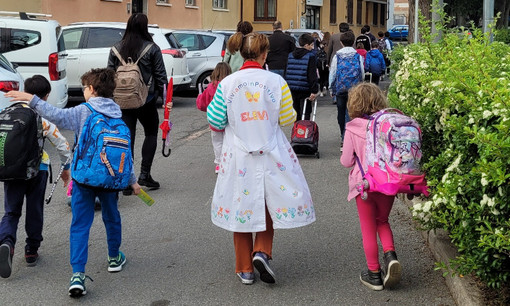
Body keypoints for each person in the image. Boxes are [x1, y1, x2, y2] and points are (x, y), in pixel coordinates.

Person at [5, 68, 142, 297]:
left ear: (92, 90)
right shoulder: (118, 116)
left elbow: (56, 115)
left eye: (86, 88)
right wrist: (133, 181)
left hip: (84, 179)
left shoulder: (83, 111)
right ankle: (114, 257)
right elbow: (124, 152)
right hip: (110, 179)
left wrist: (32, 99)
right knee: (112, 217)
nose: (85, 92)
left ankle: (78, 274)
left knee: (80, 225)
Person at [206, 33, 315, 285]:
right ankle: (263, 251)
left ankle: (244, 268)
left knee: (240, 205)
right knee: (267, 202)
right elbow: (288, 118)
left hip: (238, 155)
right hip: (271, 152)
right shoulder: (276, 82)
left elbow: (214, 120)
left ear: (242, 54)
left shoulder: (228, 84)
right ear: (264, 54)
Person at [0, 75, 71, 278]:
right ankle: (31, 251)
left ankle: (6, 241)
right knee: (34, 209)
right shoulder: (41, 117)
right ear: (46, 96)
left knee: (11, 212)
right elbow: (63, 145)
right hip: (36, 170)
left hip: (11, 171)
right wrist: (65, 168)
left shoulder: (7, 112)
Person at [340, 83, 402, 291]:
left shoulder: (353, 128)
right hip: (387, 183)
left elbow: (347, 161)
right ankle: (391, 256)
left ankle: (374, 273)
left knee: (368, 228)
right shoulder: (388, 125)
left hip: (364, 186)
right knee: (382, 221)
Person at [107, 13, 167, 195]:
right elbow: (161, 77)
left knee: (126, 139)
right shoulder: (152, 48)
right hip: (145, 100)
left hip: (122, 102)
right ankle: (144, 174)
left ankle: (126, 179)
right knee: (150, 133)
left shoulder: (116, 48)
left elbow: (109, 76)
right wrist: (159, 97)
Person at [196, 62, 232, 173]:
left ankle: (219, 163)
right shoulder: (230, 86)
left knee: (217, 142)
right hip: (228, 121)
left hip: (215, 121)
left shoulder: (211, 87)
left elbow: (202, 104)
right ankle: (229, 162)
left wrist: (199, 97)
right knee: (228, 142)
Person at [329, 31, 364, 142]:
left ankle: (342, 135)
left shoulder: (337, 56)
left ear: (341, 42)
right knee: (351, 112)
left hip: (340, 88)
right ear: (353, 42)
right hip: (354, 88)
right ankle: (349, 137)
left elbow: (333, 72)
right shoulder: (357, 56)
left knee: (341, 112)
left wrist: (331, 86)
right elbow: (362, 72)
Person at [285, 33, 320, 120]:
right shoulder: (310, 56)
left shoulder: (290, 55)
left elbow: (287, 71)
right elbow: (312, 74)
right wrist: (314, 90)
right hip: (305, 88)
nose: (312, 47)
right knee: (305, 112)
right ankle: (305, 131)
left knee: (296, 112)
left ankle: (297, 130)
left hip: (292, 88)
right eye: (311, 45)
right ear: (306, 45)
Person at [318, 32, 331, 96]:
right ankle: (325, 86)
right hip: (327, 61)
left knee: (321, 76)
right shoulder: (330, 42)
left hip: (320, 62)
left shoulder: (322, 42)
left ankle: (321, 91)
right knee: (326, 75)